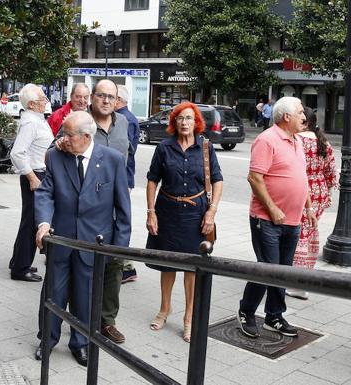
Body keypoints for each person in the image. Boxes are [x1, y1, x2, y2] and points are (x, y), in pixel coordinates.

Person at [34, 110, 131, 367]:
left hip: (94, 242)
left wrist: (118, 250)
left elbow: (123, 209)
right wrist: (44, 223)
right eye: (63, 134)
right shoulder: (55, 157)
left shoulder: (112, 160)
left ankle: (81, 343)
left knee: (86, 296)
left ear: (86, 136)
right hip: (61, 239)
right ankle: (47, 340)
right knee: (53, 293)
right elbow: (45, 193)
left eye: (68, 135)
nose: (63, 139)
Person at [55, 79, 130, 344]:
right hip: (79, 212)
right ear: (92, 98)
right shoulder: (78, 122)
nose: (107, 101)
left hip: (111, 205)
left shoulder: (125, 124)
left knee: (112, 270)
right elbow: (57, 153)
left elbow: (127, 161)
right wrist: (61, 145)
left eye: (112, 96)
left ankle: (105, 322)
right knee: (72, 282)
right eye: (101, 95)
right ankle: (64, 331)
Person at [237, 96, 317, 339]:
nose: (305, 117)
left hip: (292, 220)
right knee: (267, 270)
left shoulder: (297, 141)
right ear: (286, 117)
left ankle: (274, 316)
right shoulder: (266, 139)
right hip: (267, 220)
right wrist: (272, 209)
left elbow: (300, 178)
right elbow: (254, 178)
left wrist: (309, 208)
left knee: (283, 271)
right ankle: (246, 311)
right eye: (301, 112)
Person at [146, 102, 223, 343]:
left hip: (196, 214)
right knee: (168, 264)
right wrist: (151, 212)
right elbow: (152, 181)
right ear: (174, 122)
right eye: (180, 118)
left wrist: (211, 211)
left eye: (189, 118)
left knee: (191, 267)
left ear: (196, 122)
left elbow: (218, 181)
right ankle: (164, 309)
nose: (184, 122)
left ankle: (189, 318)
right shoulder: (164, 147)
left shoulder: (206, 147)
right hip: (167, 211)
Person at [287, 107, 338, 300]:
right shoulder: (323, 142)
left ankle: (295, 283)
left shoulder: (296, 141)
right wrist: (328, 193)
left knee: (298, 235)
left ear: (304, 121)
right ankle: (305, 280)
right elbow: (331, 173)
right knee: (310, 235)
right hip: (320, 193)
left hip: (300, 191)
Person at [9, 84, 53, 282]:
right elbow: (17, 153)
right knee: (32, 223)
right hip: (35, 176)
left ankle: (19, 261)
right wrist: (32, 178)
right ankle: (20, 268)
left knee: (29, 221)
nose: (46, 101)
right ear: (33, 104)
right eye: (43, 98)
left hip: (38, 174)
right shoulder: (31, 123)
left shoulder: (35, 119)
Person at [115, 85, 141, 284]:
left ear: (119, 100)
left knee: (120, 220)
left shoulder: (126, 120)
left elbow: (127, 151)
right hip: (122, 177)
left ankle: (126, 267)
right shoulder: (123, 117)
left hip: (123, 178)